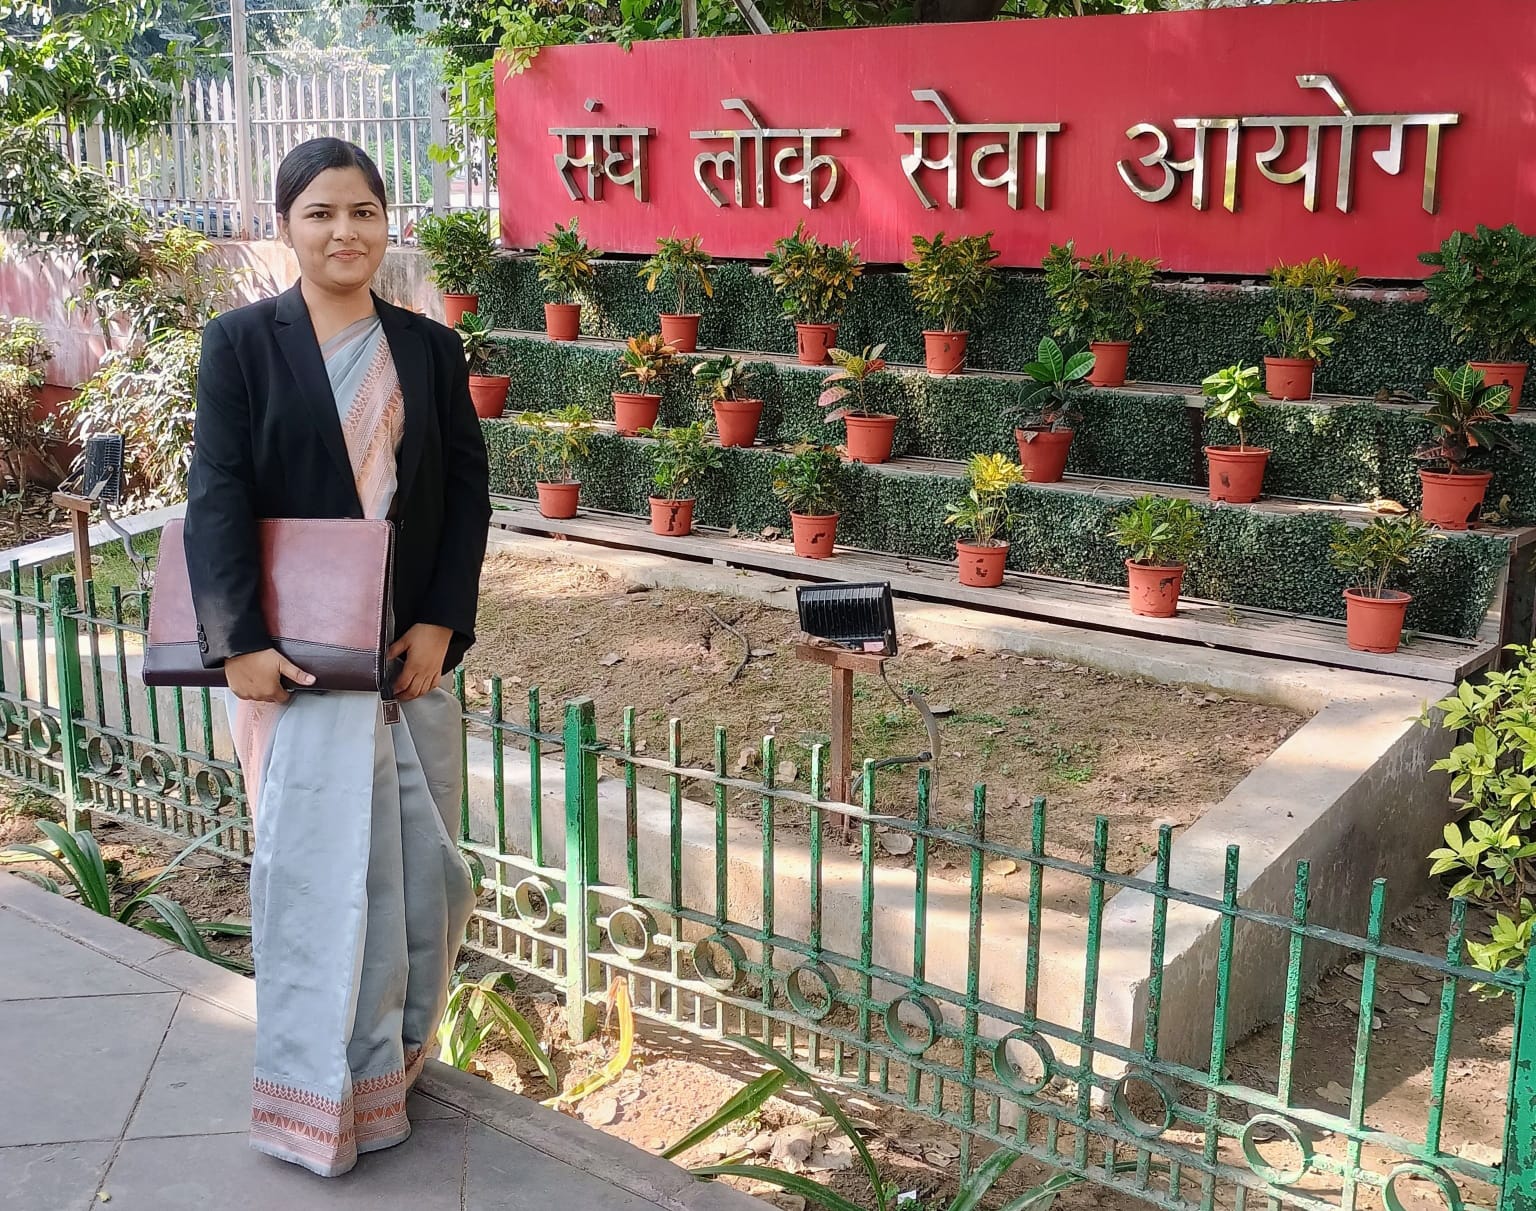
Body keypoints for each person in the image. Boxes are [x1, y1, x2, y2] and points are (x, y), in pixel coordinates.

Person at [182, 137, 491, 1177]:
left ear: (387, 220)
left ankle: (389, 1067)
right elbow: (218, 495)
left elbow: (466, 492)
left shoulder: (428, 348)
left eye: (363, 210)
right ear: (285, 226)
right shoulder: (241, 343)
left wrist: (441, 621)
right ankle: (317, 1099)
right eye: (320, 212)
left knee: (427, 877)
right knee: (322, 882)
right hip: (296, 664)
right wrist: (240, 643)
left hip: (406, 659)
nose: (344, 231)